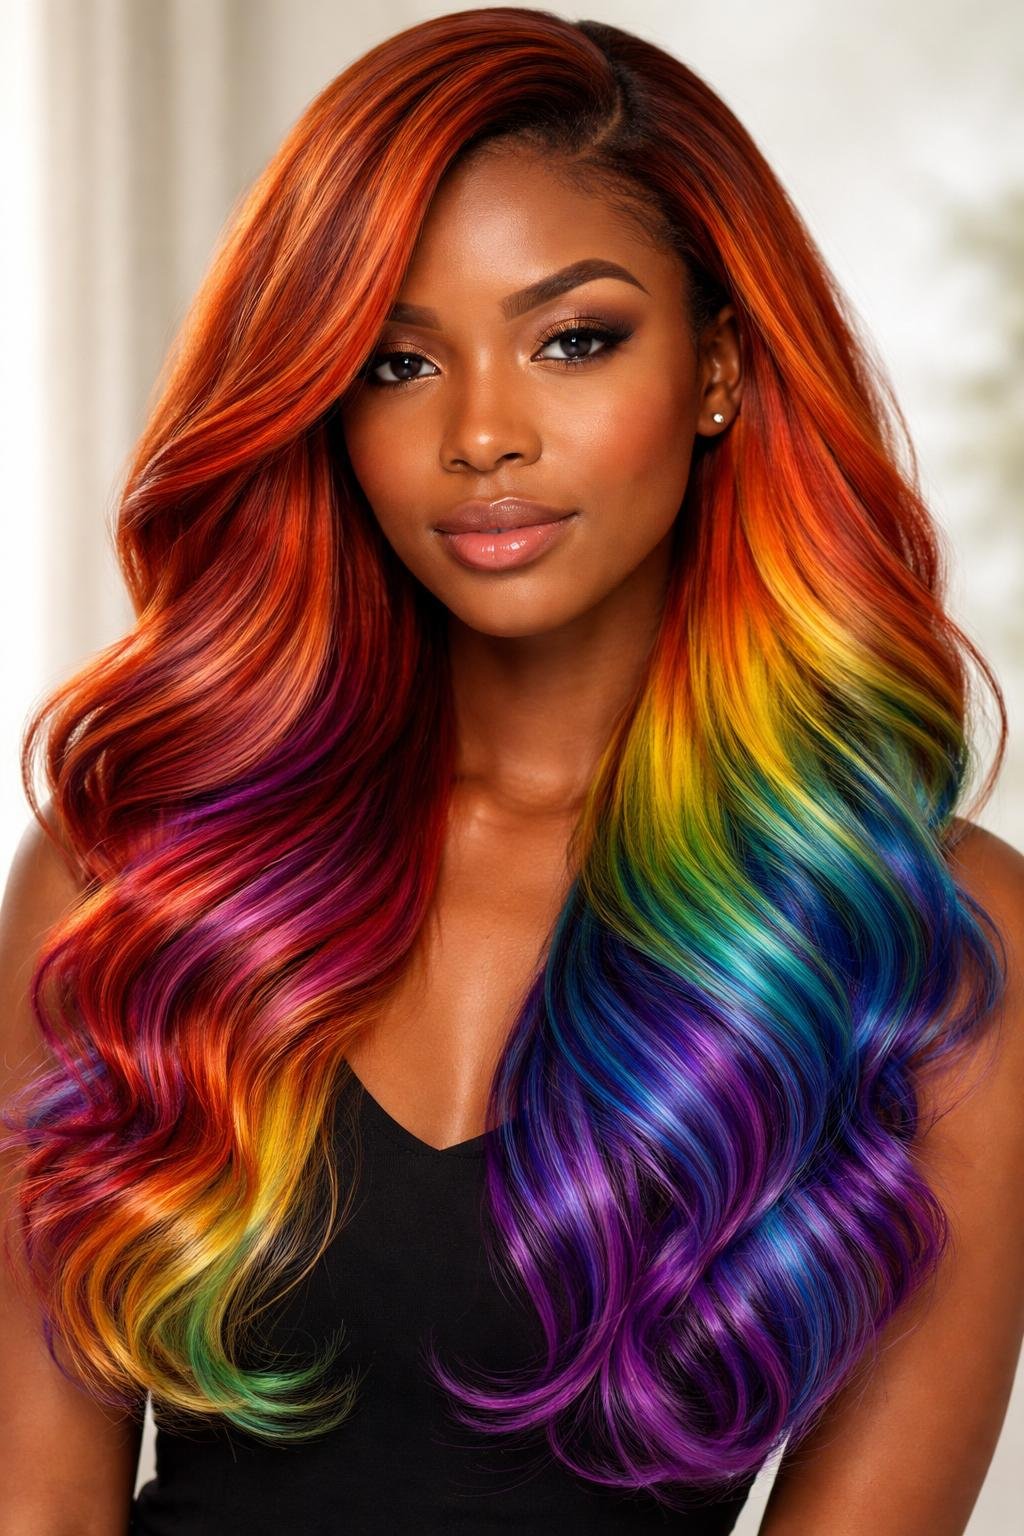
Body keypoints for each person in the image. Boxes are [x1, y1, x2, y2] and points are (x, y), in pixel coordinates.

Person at [2, 8, 1022, 1534]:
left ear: (718, 371)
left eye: (574, 339)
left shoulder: (927, 938)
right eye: (400, 359)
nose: (482, 432)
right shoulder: (135, 873)